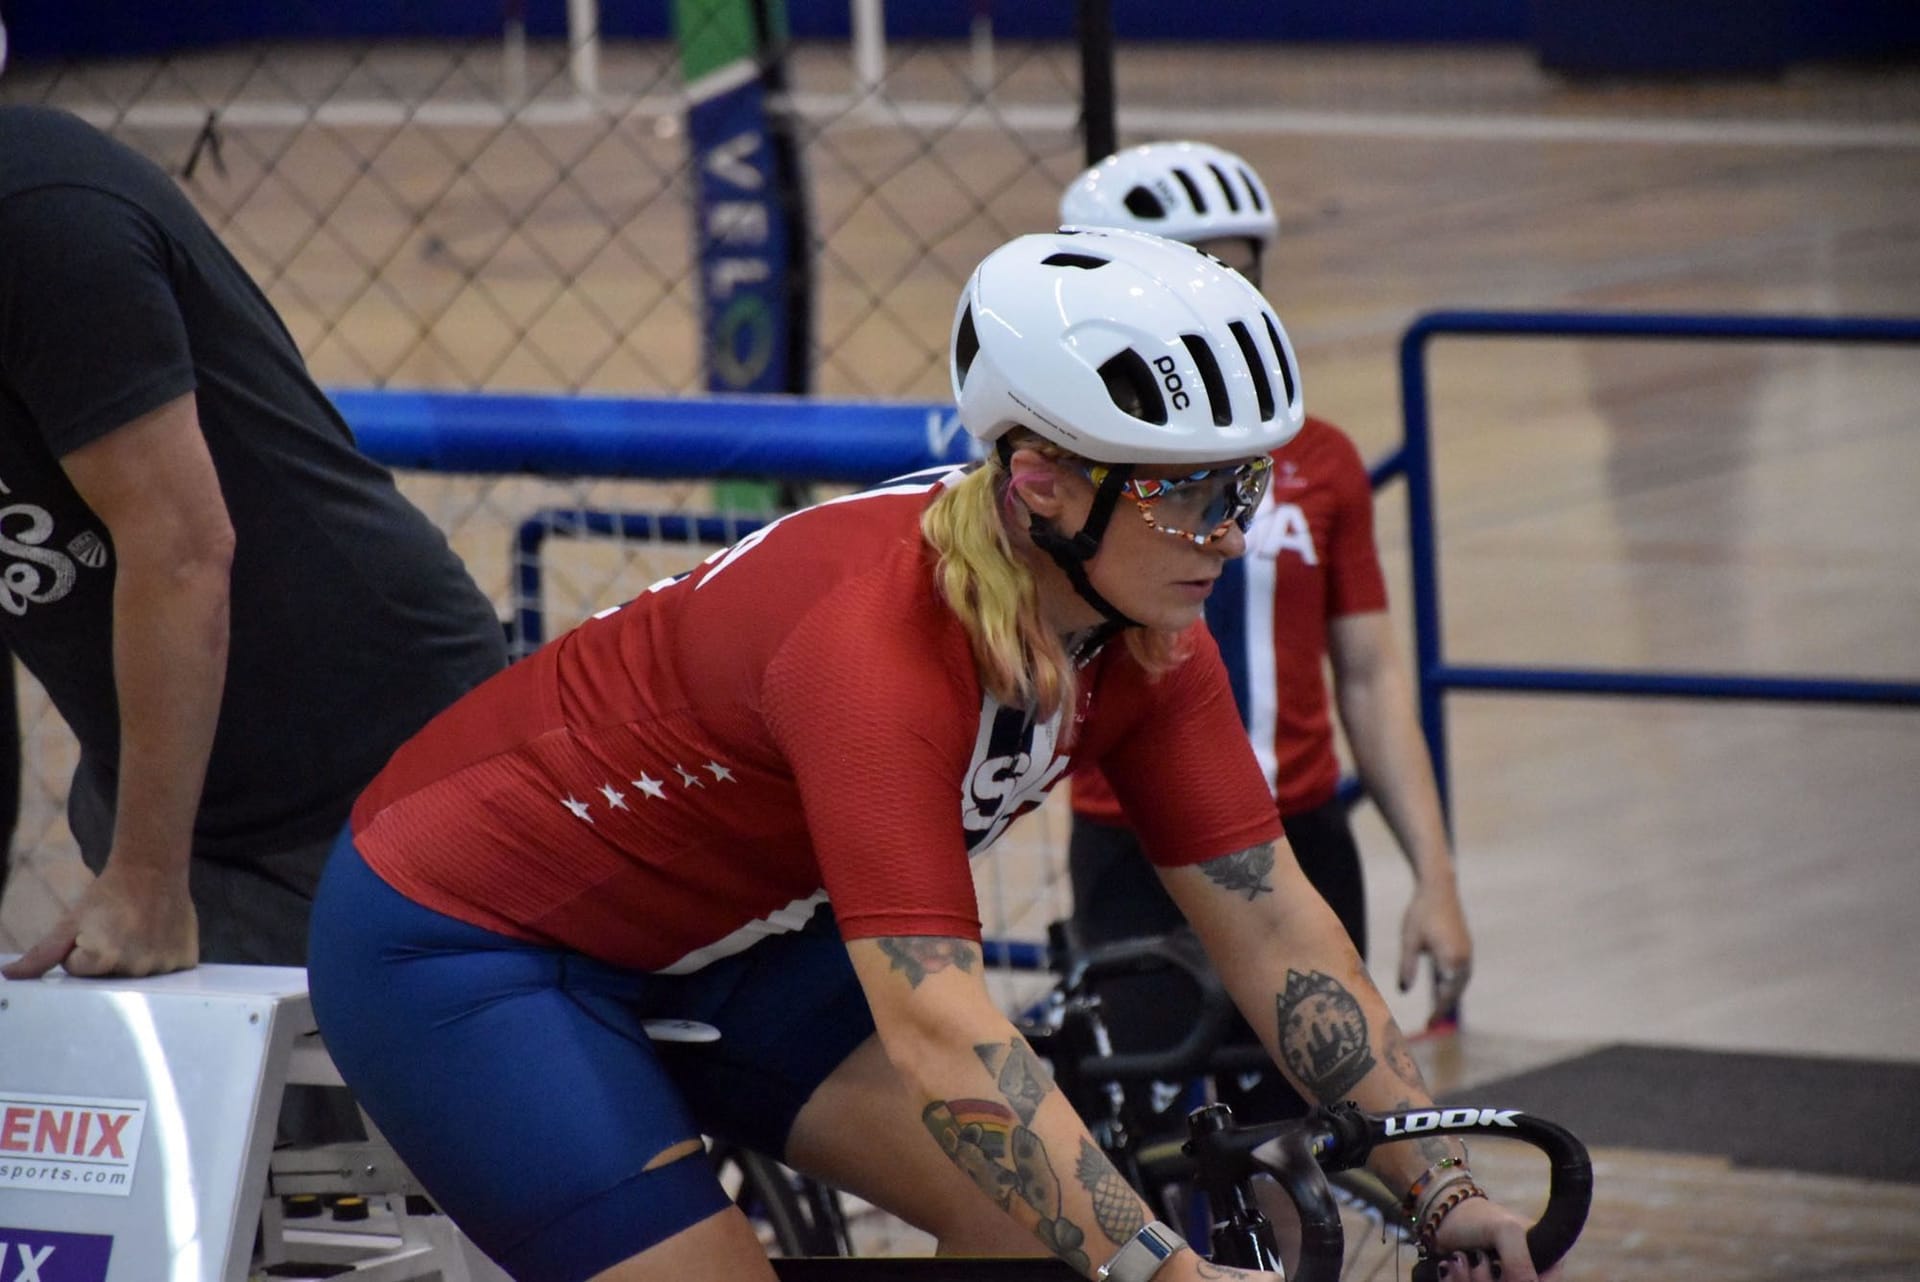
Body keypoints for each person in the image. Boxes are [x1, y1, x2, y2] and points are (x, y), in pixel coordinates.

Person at [305, 227, 1554, 1282]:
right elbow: (940, 1024)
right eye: (1191, 495)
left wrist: (1438, 1186)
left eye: (1247, 488)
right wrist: (1160, 1267)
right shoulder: (873, 648)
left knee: (1030, 1231)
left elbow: (1275, 926)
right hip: (467, 944)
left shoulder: (1141, 628)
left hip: (722, 937)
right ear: (1042, 483)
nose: (1231, 534)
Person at [0, 103, 508, 984]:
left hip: (370, 764)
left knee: (421, 1114)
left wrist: (150, 879)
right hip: (163, 787)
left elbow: (183, 550)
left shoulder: (38, 216)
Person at [1057, 143, 1474, 1141]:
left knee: (1304, 1140)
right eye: (1204, 275)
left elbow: (1369, 678)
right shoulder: (1081, 472)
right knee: (1145, 1140)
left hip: (1301, 838)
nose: (1234, 301)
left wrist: (1437, 874)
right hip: (1132, 850)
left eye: (1245, 275)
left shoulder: (1318, 457)